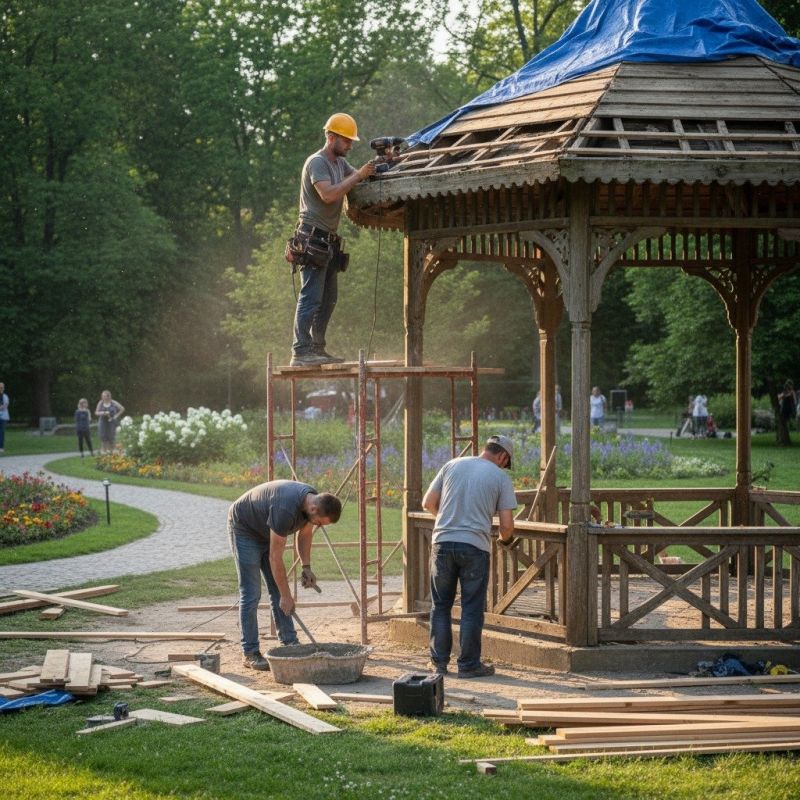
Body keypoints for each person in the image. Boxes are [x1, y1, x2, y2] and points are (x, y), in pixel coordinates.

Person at [422, 435, 517, 679]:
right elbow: (506, 525)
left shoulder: (452, 464)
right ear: (503, 457)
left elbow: (428, 502)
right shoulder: (500, 477)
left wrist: (446, 521)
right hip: (475, 546)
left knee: (440, 605)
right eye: (505, 462)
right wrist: (505, 540)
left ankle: (439, 664)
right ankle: (468, 665)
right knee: (471, 608)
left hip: (442, 543)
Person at [289, 113, 377, 367]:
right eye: (346, 140)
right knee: (311, 296)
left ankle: (316, 347)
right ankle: (300, 350)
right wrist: (359, 175)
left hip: (328, 240)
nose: (350, 145)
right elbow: (328, 195)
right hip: (312, 237)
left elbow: (357, 179)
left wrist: (379, 167)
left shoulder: (339, 164)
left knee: (328, 299)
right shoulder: (317, 163)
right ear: (331, 137)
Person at [228, 480, 342, 670]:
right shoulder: (286, 508)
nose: (319, 526)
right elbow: (275, 557)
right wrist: (287, 596)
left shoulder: (311, 502)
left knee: (278, 591)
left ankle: (290, 643)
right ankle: (250, 652)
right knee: (251, 592)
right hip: (244, 528)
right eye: (320, 523)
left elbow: (305, 535)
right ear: (314, 509)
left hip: (267, 530)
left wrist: (306, 567)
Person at [0, 382, 8, 453]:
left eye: (2, 387)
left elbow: (5, 406)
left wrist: (2, 407)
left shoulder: (5, 396)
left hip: (3, 417)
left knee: (2, 432)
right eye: (0, 387)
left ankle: (1, 447)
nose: (1, 389)